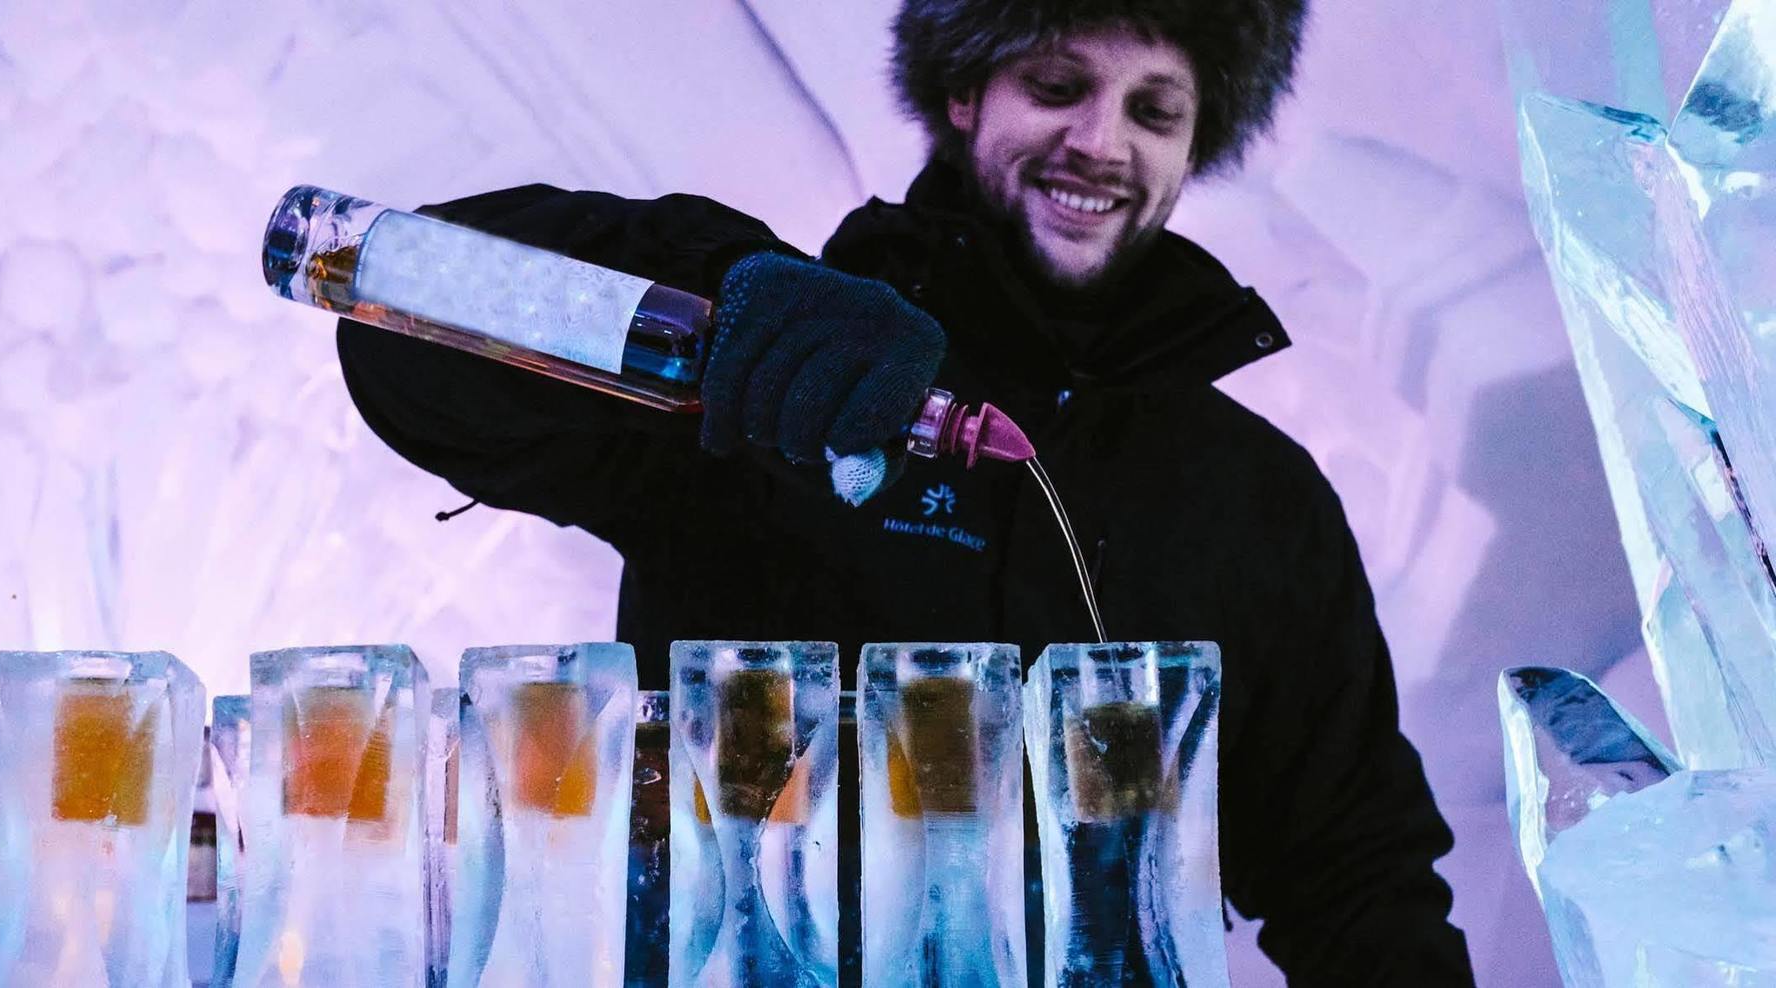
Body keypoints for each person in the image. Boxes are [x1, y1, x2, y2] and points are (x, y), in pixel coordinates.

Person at [336, 0, 1474, 982]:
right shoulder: (779, 361)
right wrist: (714, 290)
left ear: (1194, 146)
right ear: (966, 93)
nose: (1098, 141)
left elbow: (1351, 871)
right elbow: (411, 331)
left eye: (1153, 111)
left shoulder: (1254, 496)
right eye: (1057, 83)